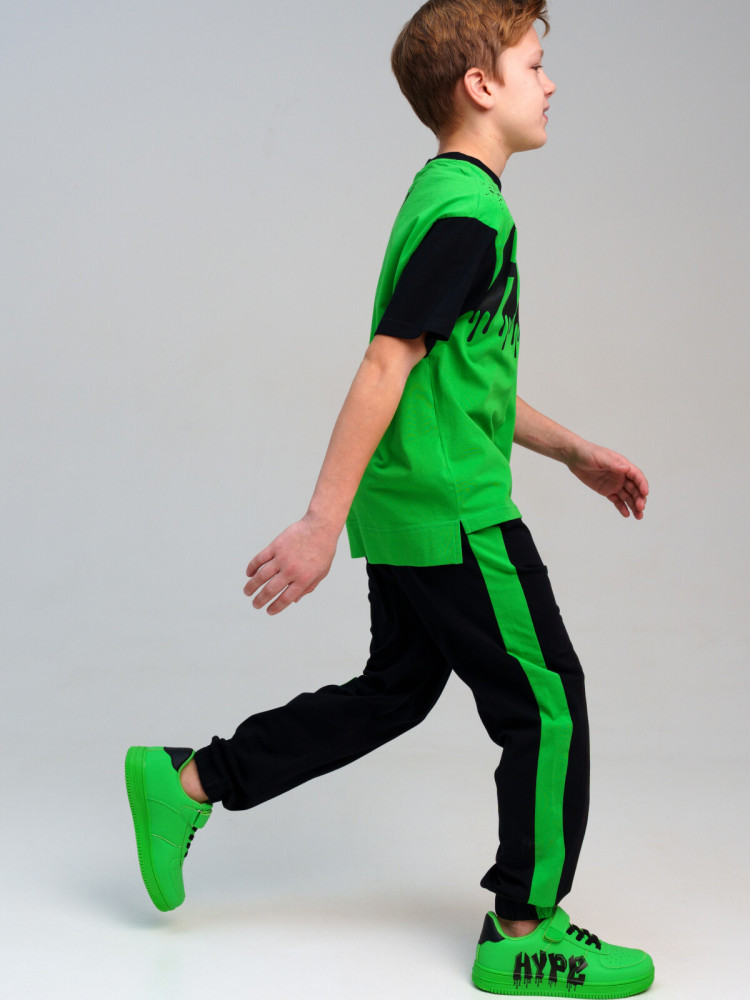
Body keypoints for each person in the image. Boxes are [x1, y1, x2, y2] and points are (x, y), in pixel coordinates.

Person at [125, 1, 655, 995]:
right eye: (534, 64)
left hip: (412, 505)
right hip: (455, 513)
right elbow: (386, 361)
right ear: (480, 87)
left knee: (395, 692)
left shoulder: (444, 197)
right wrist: (319, 521)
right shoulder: (467, 215)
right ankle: (525, 928)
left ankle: (188, 779)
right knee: (547, 704)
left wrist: (573, 450)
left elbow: (459, 379)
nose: (550, 83)